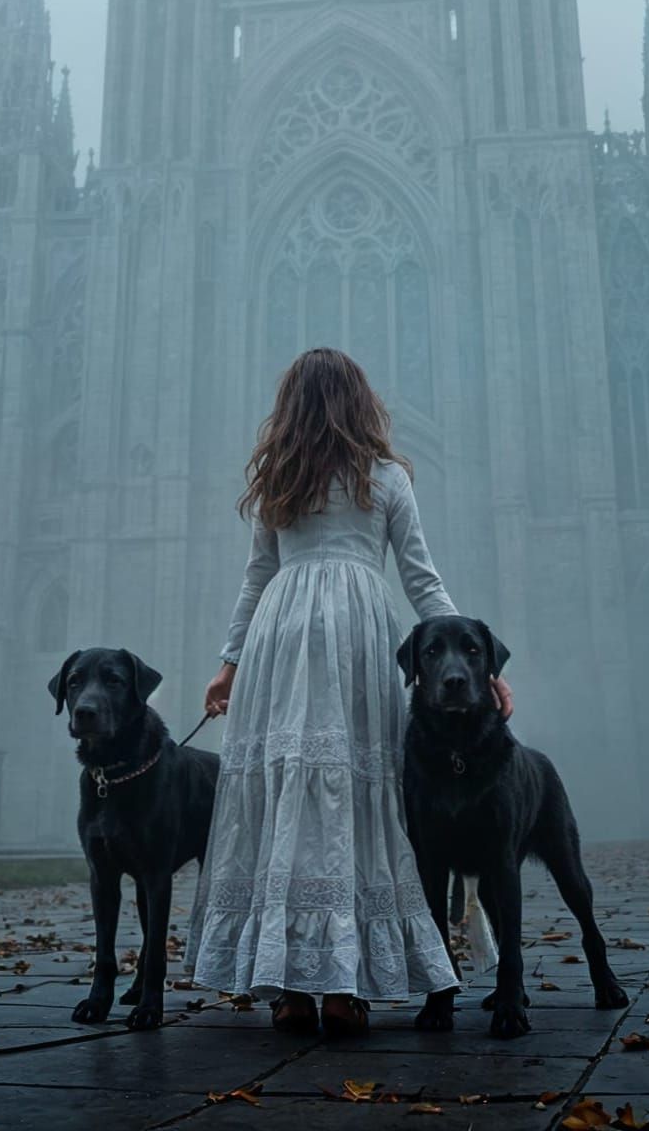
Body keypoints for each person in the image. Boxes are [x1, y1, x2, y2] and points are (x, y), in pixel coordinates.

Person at [186, 347, 513, 1037]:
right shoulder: (386, 477)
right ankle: (342, 988)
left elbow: (257, 577)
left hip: (282, 632)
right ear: (362, 405)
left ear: (291, 409)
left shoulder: (279, 477)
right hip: (357, 633)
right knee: (357, 799)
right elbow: (421, 578)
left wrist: (230, 663)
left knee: (290, 792)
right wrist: (481, 665)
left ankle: (292, 990)